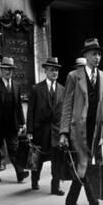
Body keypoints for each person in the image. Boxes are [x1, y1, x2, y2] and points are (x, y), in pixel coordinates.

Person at [60, 38, 103, 205]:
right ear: (85, 55)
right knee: (86, 166)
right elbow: (66, 105)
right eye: (94, 54)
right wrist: (64, 132)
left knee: (86, 166)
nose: (97, 57)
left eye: (99, 54)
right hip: (78, 130)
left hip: (97, 131)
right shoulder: (74, 76)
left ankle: (71, 199)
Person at [0, 57, 29, 183]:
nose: (8, 72)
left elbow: (19, 106)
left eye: (10, 70)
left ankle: (20, 173)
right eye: (5, 69)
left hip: (11, 124)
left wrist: (22, 123)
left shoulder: (16, 85)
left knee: (14, 149)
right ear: (2, 70)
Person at [26, 57, 65, 195]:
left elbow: (64, 113)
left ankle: (56, 187)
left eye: (56, 70)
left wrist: (64, 131)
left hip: (56, 131)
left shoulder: (62, 89)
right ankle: (34, 180)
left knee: (57, 160)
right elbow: (30, 111)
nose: (54, 73)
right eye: (51, 70)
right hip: (40, 130)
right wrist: (29, 131)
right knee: (38, 157)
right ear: (45, 71)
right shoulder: (36, 89)